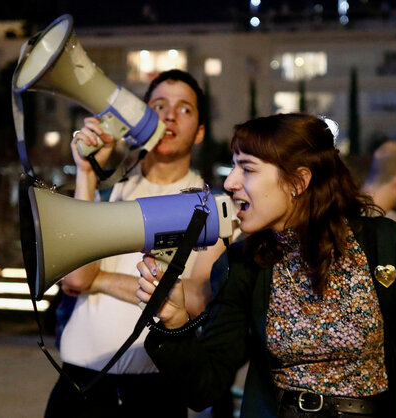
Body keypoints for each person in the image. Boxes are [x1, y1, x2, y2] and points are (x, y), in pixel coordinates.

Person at [136, 113, 396, 417]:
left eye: (248, 168)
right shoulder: (242, 264)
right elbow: (205, 386)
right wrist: (176, 323)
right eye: (234, 165)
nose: (230, 182)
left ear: (298, 182)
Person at [45, 70, 226, 417]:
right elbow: (74, 275)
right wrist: (86, 172)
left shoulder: (211, 208)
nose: (169, 115)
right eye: (158, 105)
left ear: (201, 131)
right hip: (77, 386)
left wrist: (99, 281)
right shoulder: (109, 192)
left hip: (153, 392)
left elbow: (196, 297)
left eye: (184, 109)